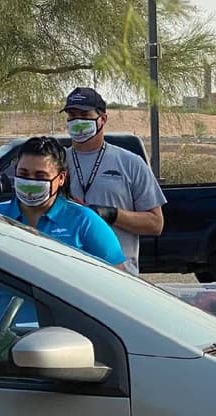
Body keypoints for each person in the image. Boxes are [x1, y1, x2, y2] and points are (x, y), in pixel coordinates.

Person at [0, 135, 126, 323]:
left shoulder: (84, 221)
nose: (30, 182)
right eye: (23, 174)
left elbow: (118, 278)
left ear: (61, 178)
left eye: (40, 176)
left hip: (61, 331)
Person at [63, 87, 167, 275]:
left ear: (103, 119)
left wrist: (111, 214)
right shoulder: (56, 164)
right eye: (72, 115)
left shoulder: (130, 162)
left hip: (118, 276)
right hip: (69, 274)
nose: (77, 121)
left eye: (84, 115)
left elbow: (155, 224)